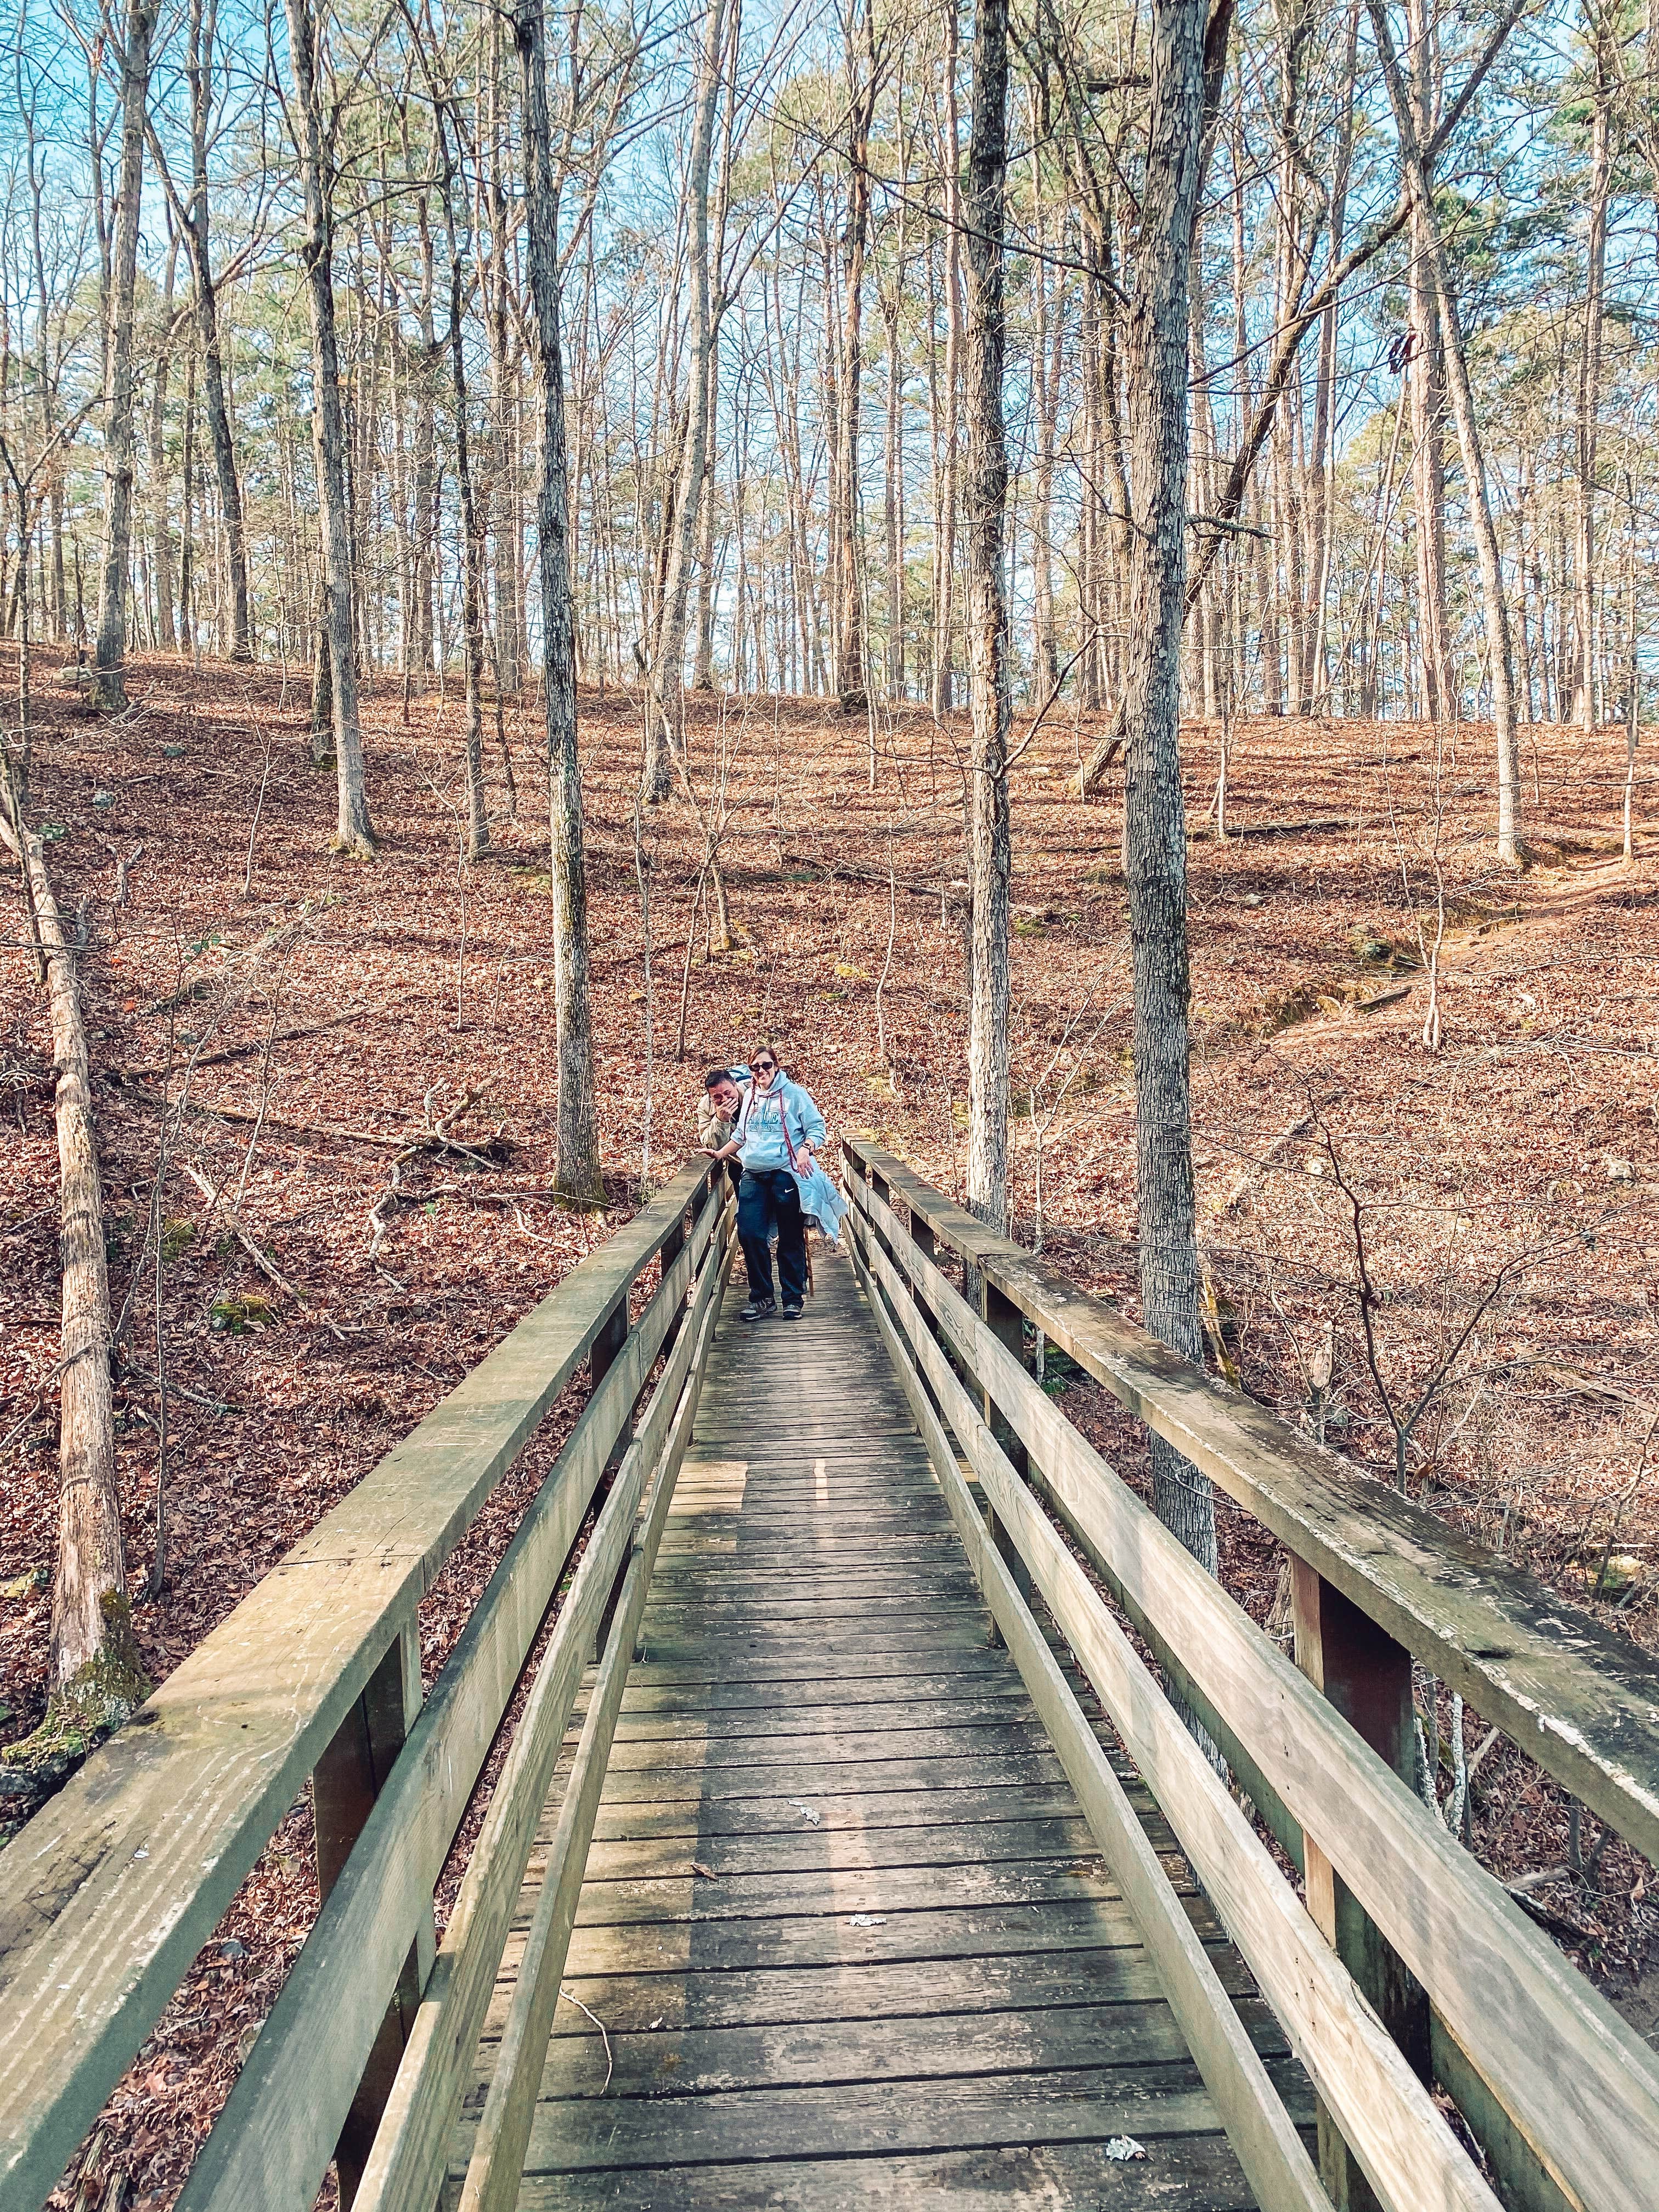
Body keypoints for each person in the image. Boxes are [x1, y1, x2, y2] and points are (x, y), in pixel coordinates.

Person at [709, 1046, 826, 1321]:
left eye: (766, 1065)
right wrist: (719, 1153)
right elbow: (741, 1135)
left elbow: (817, 1128)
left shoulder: (795, 1095)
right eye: (755, 1067)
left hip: (785, 1172)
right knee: (750, 1233)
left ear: (776, 1065)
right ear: (750, 1070)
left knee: (790, 1234)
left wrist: (806, 1148)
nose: (761, 1071)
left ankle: (792, 1299)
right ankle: (762, 1298)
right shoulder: (749, 1096)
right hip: (753, 1173)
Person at [698, 1068, 744, 1190]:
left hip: (767, 1162)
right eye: (717, 1097)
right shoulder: (705, 1107)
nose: (724, 1100)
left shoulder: (754, 1095)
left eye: (728, 1093)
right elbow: (711, 1145)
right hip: (738, 1164)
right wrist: (721, 1121)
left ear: (735, 1084)